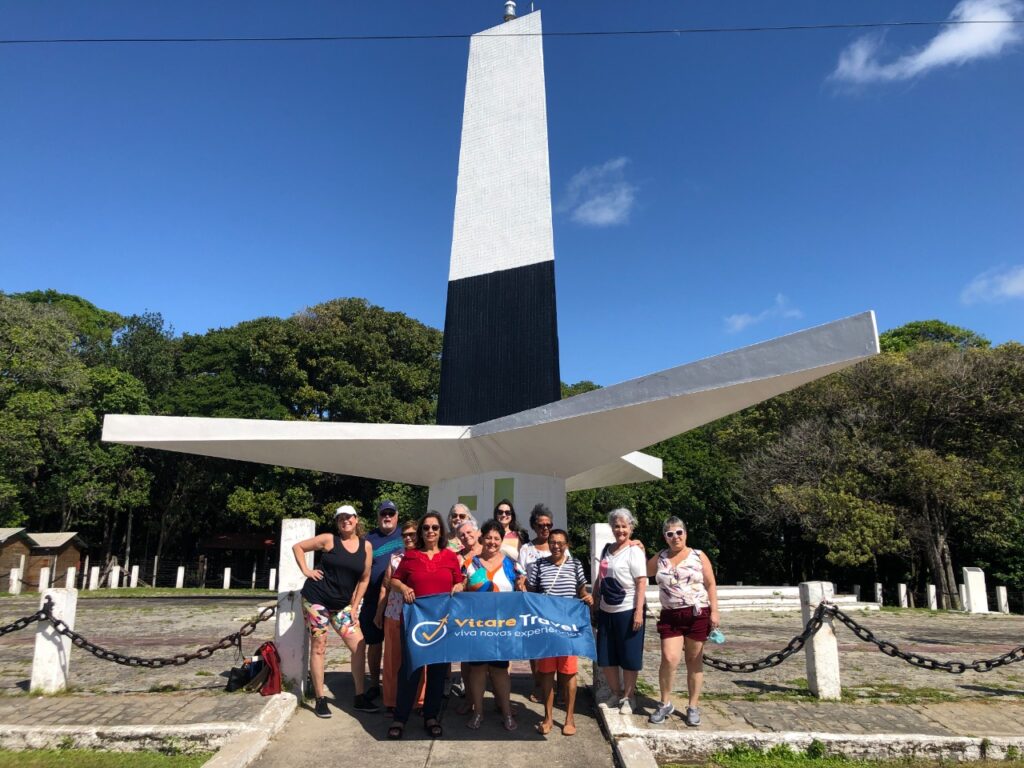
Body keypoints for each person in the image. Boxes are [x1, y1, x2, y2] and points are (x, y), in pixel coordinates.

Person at [292, 504, 376, 718]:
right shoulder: (329, 539)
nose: (345, 521)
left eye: (349, 517)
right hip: (316, 599)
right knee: (319, 645)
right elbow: (298, 547)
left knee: (359, 644)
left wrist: (355, 606)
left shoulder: (366, 546)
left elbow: (365, 578)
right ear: (337, 522)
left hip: (342, 605)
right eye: (341, 518)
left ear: (356, 520)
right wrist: (306, 570)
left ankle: (359, 696)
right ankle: (320, 698)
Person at [388, 512, 465, 739]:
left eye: (435, 528)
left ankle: (430, 716)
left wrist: (460, 586)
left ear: (441, 531)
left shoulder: (450, 557)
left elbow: (459, 579)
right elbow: (394, 580)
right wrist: (403, 588)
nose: (430, 531)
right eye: (426, 528)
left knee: (437, 671)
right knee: (410, 670)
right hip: (414, 622)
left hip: (442, 623)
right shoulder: (411, 556)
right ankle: (400, 717)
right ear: (421, 532)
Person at [646, 517, 719, 727]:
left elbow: (710, 583)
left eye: (679, 532)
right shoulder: (660, 558)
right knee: (669, 658)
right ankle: (665, 702)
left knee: (694, 661)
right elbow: (641, 571)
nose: (675, 537)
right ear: (665, 537)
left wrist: (715, 611)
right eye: (670, 534)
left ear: (685, 533)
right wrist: (634, 546)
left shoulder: (698, 556)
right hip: (670, 616)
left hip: (697, 614)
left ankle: (693, 706)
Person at [524, 528, 592, 736]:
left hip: (568, 627)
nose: (556, 546)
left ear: (567, 545)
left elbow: (581, 589)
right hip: (546, 628)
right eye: (553, 542)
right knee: (546, 674)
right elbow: (533, 592)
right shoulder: (539, 565)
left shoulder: (575, 564)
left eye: (560, 543)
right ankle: (548, 717)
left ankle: (569, 718)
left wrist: (587, 597)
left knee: (569, 672)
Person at [462, 520, 524, 731]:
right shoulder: (470, 563)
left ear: (502, 540)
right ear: (482, 539)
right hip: (477, 626)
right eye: (488, 537)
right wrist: (460, 586)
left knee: (500, 671)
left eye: (496, 538)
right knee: (477, 669)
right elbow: (461, 590)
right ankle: (478, 712)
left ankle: (506, 713)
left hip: (502, 627)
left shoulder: (511, 563)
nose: (492, 542)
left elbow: (520, 589)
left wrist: (522, 585)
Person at [593, 507, 647, 716]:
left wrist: (638, 612)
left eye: (624, 526)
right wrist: (595, 599)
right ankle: (616, 693)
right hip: (607, 610)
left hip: (627, 609)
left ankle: (629, 697)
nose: (620, 530)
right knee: (606, 656)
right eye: (616, 526)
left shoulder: (635, 551)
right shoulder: (607, 549)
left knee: (629, 657)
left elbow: (641, 582)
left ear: (631, 527)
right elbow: (601, 576)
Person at [374, 519, 425, 713]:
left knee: (419, 659)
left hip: (419, 615)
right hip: (395, 612)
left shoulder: (424, 556)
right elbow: (386, 586)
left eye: (412, 534)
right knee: (393, 660)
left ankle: (419, 700)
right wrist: (379, 611)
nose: (409, 538)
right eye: (405, 535)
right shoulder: (395, 557)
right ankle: (392, 700)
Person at [360, 499, 403, 703]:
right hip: (372, 600)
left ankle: (398, 684)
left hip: (398, 600)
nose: (387, 517)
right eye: (383, 513)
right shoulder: (368, 539)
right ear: (378, 516)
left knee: (399, 646)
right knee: (374, 643)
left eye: (391, 513)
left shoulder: (406, 535)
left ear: (397, 516)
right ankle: (374, 685)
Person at [517, 503, 553, 702]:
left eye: (548, 525)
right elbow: (520, 572)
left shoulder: (558, 546)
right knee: (535, 646)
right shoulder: (526, 549)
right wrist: (520, 580)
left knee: (553, 644)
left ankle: (554, 686)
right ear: (534, 526)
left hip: (554, 605)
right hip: (532, 604)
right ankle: (538, 684)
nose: (545, 528)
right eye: (541, 525)